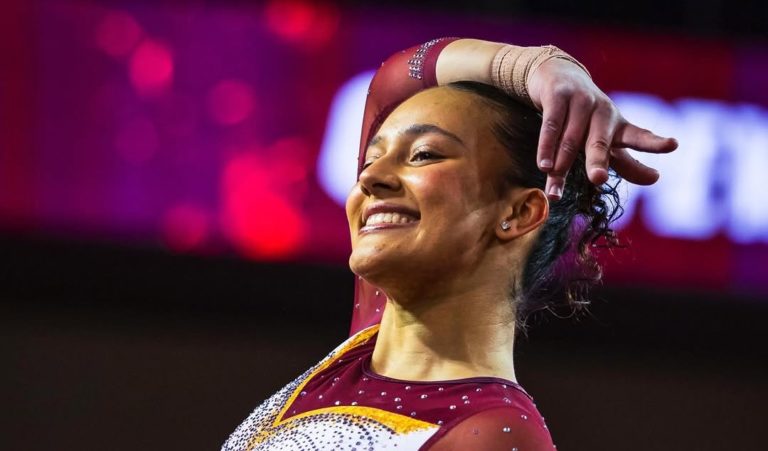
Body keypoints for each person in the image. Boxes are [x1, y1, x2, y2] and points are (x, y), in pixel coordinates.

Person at [222, 38, 677, 451]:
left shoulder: (491, 435)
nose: (371, 178)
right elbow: (395, 79)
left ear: (517, 214)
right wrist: (539, 65)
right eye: (374, 158)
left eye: (424, 154)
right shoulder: (366, 346)